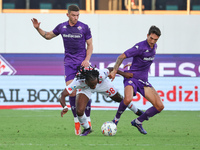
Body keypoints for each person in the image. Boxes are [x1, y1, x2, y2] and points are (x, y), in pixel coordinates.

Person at [31, 5, 93, 135]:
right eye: (73, 15)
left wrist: (87, 59)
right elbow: (48, 36)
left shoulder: (84, 27)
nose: (76, 18)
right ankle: (77, 121)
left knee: (84, 92)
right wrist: (38, 29)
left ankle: (87, 120)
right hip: (69, 64)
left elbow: (90, 45)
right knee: (71, 92)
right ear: (68, 15)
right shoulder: (62, 27)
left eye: (77, 15)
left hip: (83, 64)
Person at [108, 25, 164, 135]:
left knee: (160, 106)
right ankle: (115, 120)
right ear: (147, 36)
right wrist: (114, 70)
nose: (152, 41)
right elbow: (121, 56)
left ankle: (138, 122)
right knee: (128, 99)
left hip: (143, 81)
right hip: (132, 78)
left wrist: (133, 63)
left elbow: (145, 61)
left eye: (155, 39)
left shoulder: (155, 47)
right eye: (151, 38)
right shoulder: (140, 46)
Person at [59, 66, 144, 136]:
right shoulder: (78, 82)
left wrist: (124, 74)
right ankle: (87, 129)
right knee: (79, 111)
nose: (94, 86)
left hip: (103, 84)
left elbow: (111, 69)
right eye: (93, 84)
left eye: (95, 83)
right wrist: (65, 107)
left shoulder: (100, 74)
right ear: (86, 81)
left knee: (120, 99)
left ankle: (136, 110)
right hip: (85, 89)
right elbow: (62, 95)